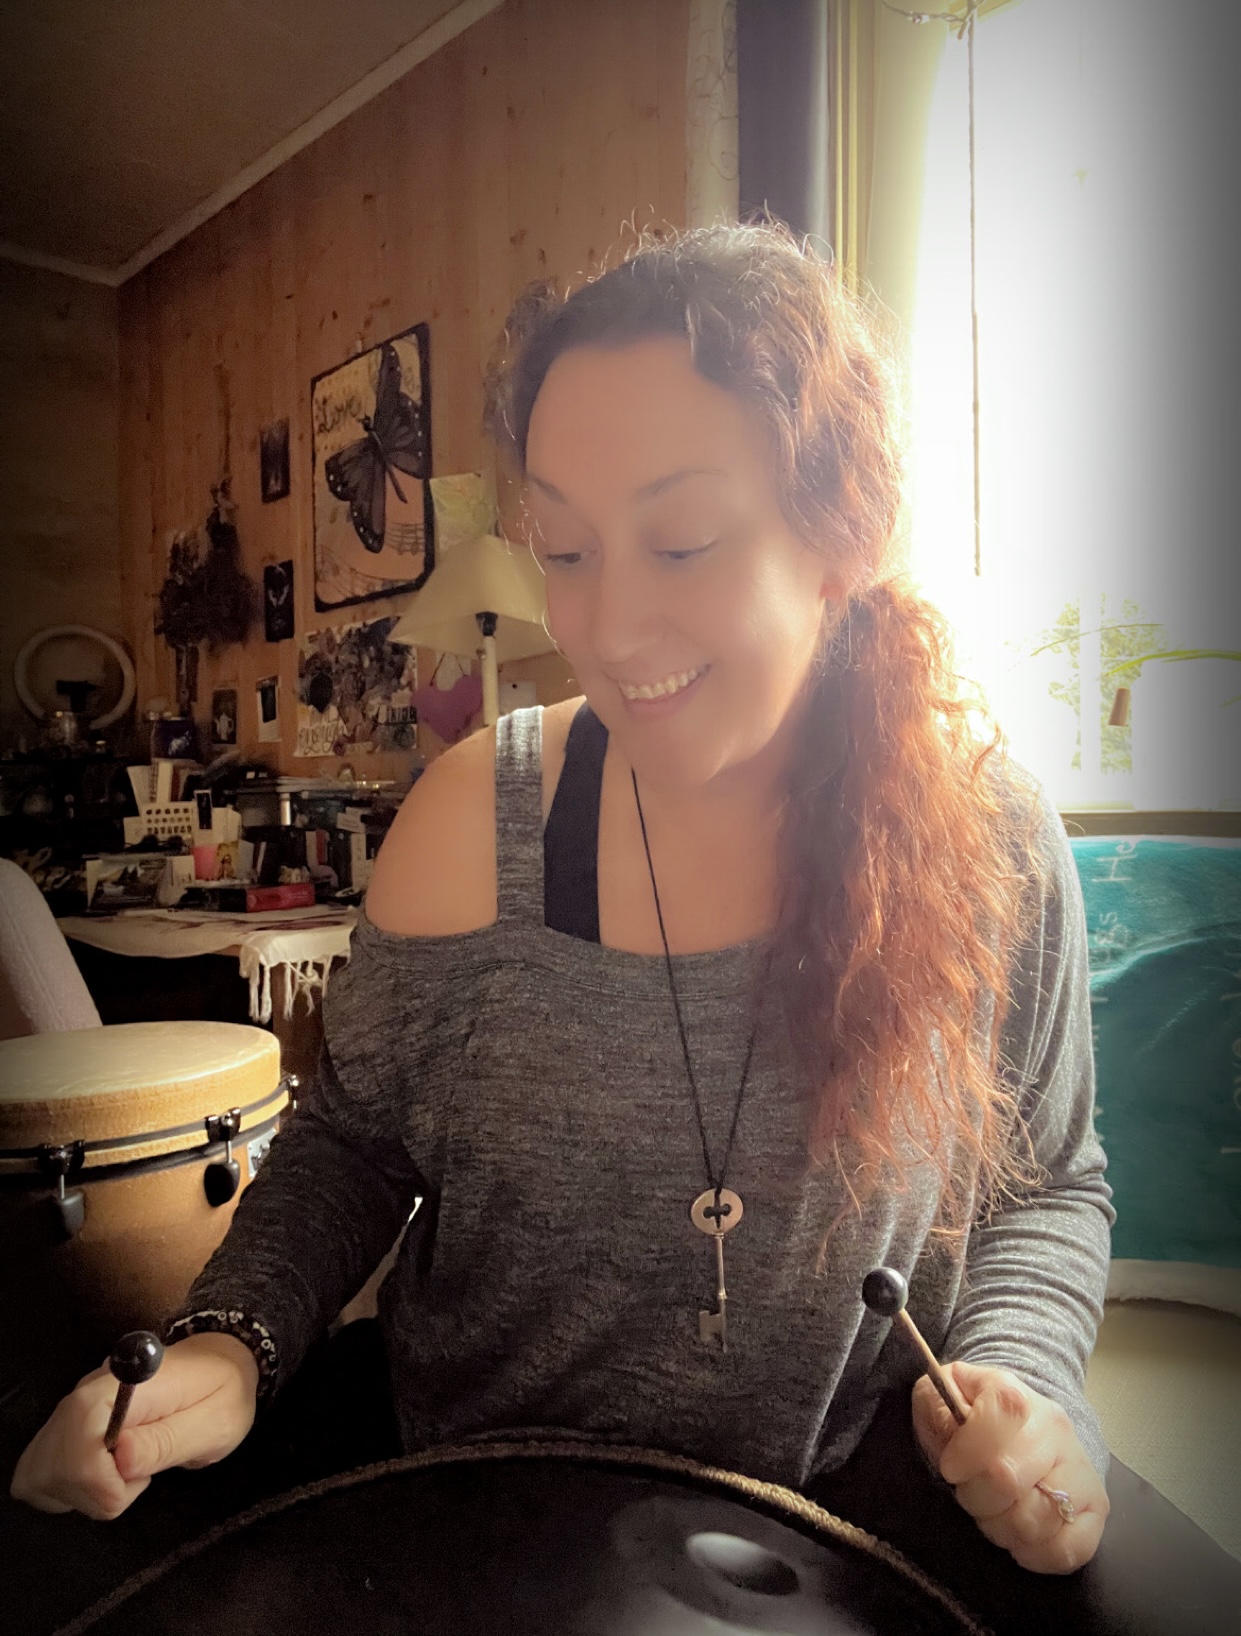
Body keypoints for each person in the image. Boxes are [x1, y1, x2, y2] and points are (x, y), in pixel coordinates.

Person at [11, 225, 1235, 1632]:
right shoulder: (484, 814)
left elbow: (1041, 1186)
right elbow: (350, 1145)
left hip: (822, 1536)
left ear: (838, 535)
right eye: (568, 548)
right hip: (467, 1528)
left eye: (683, 537)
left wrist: (1030, 1388)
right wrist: (230, 1347)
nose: (606, 622)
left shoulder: (984, 839)